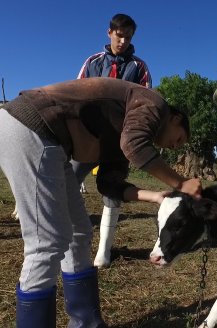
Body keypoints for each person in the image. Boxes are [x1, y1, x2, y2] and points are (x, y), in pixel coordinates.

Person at [0, 78, 202, 328]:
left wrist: (155, 196)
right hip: (31, 127)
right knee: (46, 243)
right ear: (176, 118)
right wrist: (181, 183)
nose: (174, 146)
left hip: (54, 144)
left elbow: (109, 185)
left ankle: (87, 323)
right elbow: (135, 146)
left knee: (79, 231)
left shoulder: (126, 130)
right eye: (179, 139)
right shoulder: (154, 103)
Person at [76, 13, 152, 268]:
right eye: (119, 35)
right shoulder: (92, 62)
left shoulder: (140, 68)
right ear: (109, 32)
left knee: (111, 187)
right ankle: (74, 233)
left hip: (119, 140)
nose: (123, 40)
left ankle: (104, 251)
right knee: (67, 180)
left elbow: (145, 104)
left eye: (128, 36)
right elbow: (77, 95)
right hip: (88, 137)